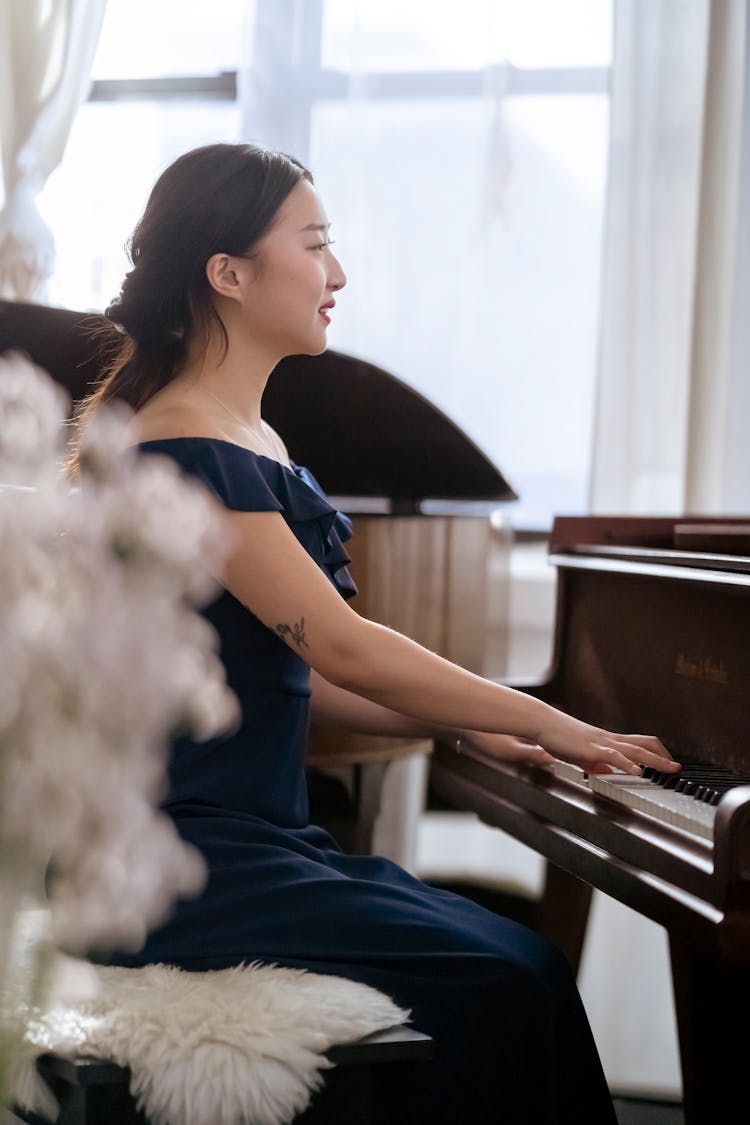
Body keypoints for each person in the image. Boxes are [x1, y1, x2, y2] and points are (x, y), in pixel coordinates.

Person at [71, 142, 679, 1125]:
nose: (338, 274)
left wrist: (456, 726)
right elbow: (342, 647)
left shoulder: (246, 443)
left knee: (520, 965)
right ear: (227, 274)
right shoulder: (184, 448)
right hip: (177, 859)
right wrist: (549, 718)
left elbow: (286, 673)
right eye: (315, 245)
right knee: (512, 977)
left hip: (251, 840)